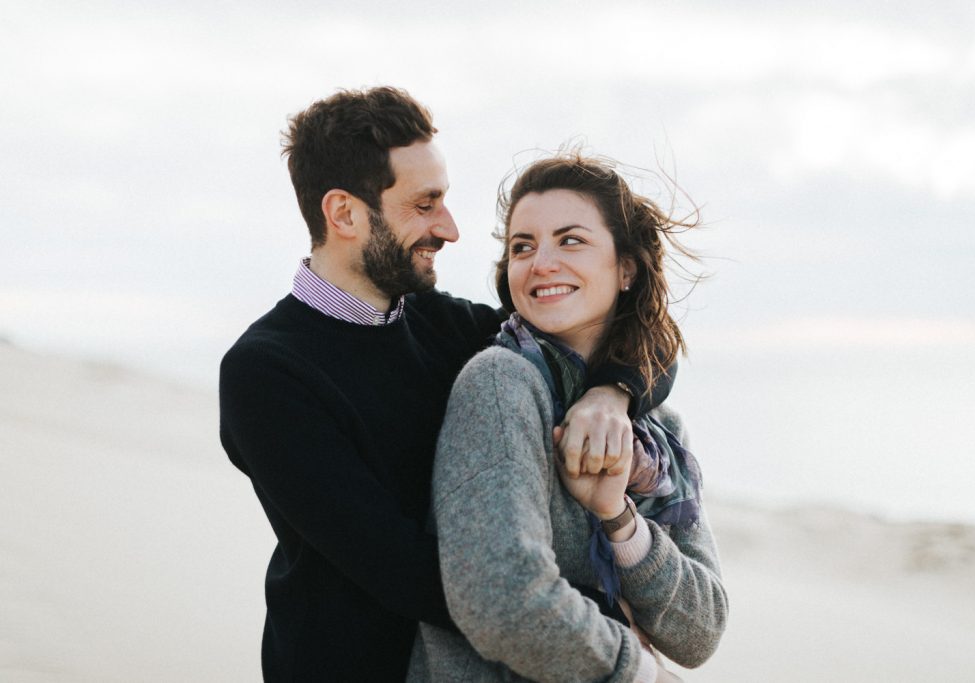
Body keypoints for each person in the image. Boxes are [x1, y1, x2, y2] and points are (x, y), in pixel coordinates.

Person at [218, 87, 676, 681]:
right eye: (425, 204)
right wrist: (596, 627)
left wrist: (610, 394)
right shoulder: (266, 373)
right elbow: (400, 568)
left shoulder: (442, 323)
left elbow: (635, 333)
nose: (451, 229)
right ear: (344, 213)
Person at [409, 153, 728, 682]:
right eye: (522, 247)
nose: (541, 263)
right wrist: (641, 674)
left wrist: (619, 519)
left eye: (571, 239)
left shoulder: (659, 428)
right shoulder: (499, 383)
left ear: (626, 267)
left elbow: (700, 632)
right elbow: (501, 598)